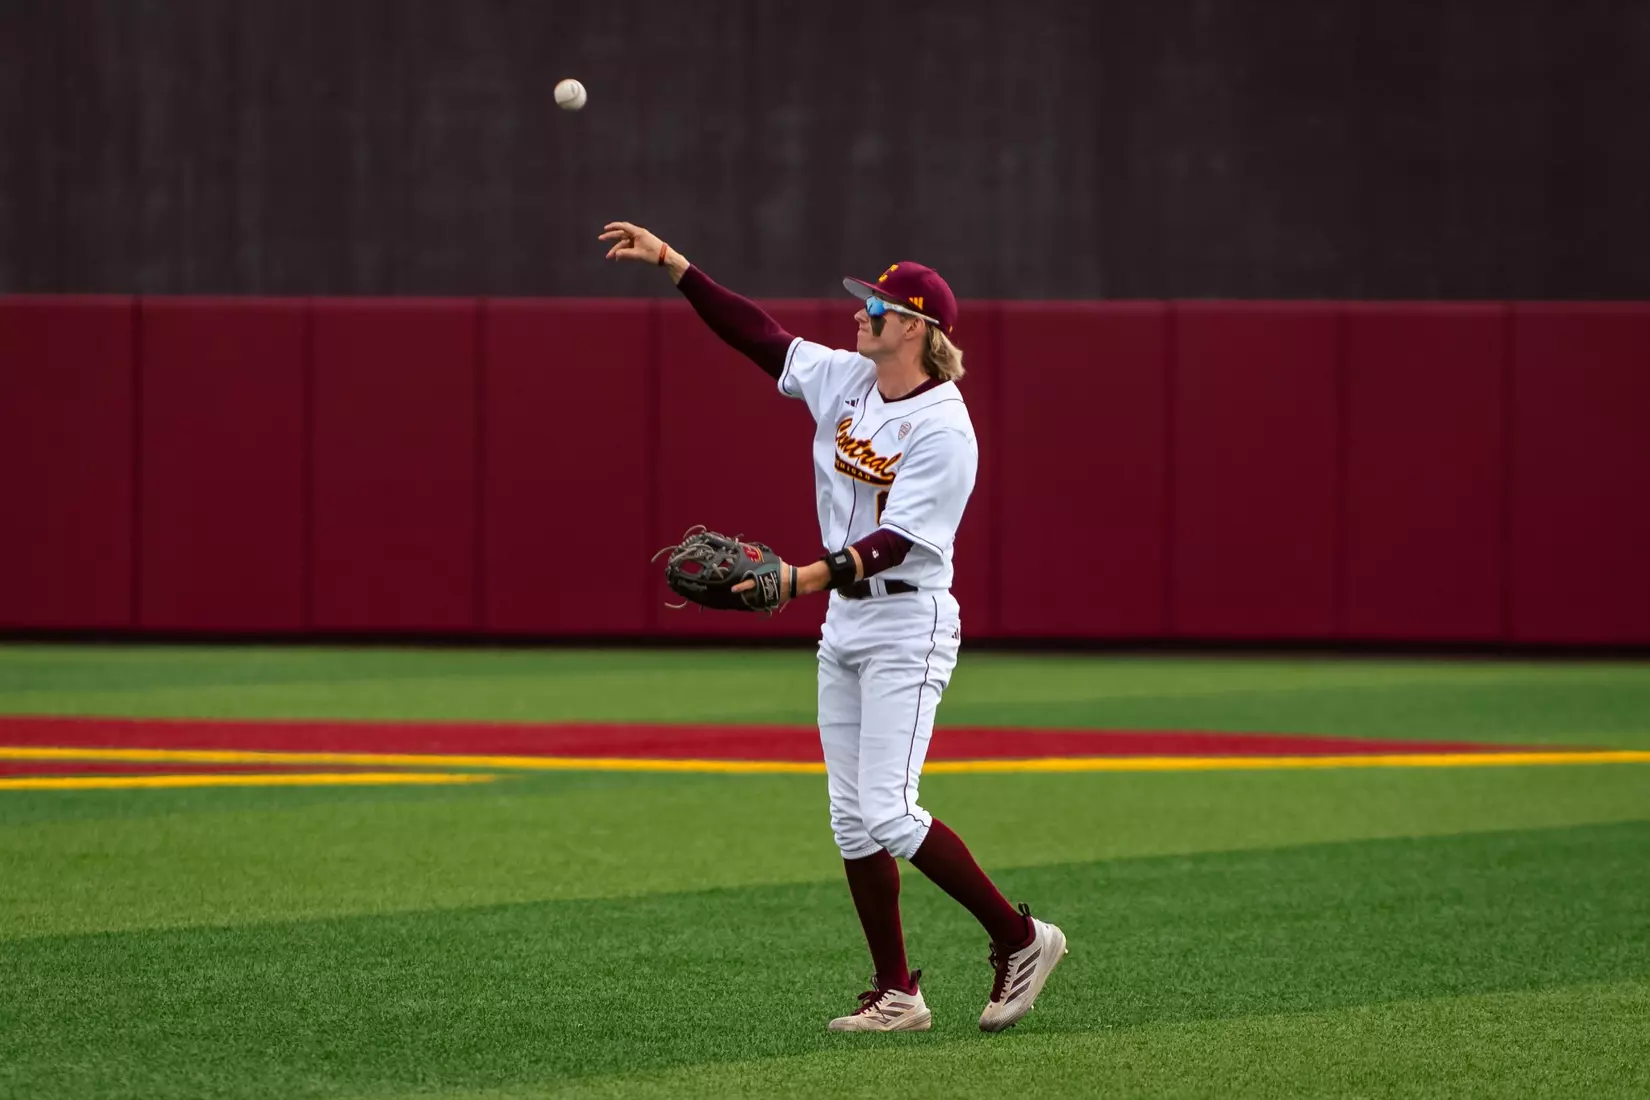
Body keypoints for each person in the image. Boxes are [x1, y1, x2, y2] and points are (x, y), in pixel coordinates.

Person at [599, 221, 1067, 1033]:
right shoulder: (848, 379)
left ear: (914, 327)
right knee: (852, 820)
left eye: (876, 307)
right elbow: (759, 337)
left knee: (890, 811)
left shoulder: (945, 427)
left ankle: (1023, 939)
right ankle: (898, 994)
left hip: (908, 622)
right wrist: (674, 264)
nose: (859, 314)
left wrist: (797, 579)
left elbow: (899, 543)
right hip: (847, 623)